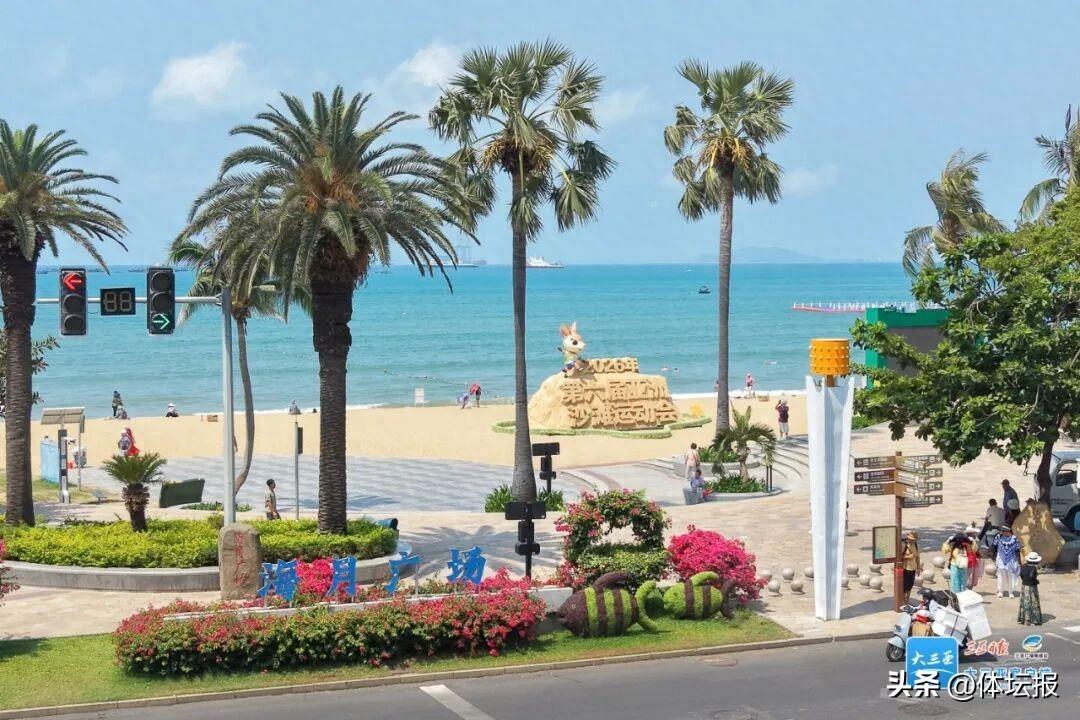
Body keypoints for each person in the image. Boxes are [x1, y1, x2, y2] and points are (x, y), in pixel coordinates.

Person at [995, 525, 1021, 598]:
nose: (1002, 532)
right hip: (1001, 559)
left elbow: (1017, 549)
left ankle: (1011, 592)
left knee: (1011, 576)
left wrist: (1018, 561)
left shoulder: (1014, 539)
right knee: (1001, 576)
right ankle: (1000, 591)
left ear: (1008, 531)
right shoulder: (999, 537)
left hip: (1011, 560)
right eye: (1002, 531)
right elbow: (994, 545)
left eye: (1004, 531)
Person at [1018, 552, 1043, 625]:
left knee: (1025, 602)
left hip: (1024, 586)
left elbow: (1021, 575)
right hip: (1031, 587)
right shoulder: (1034, 568)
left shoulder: (1023, 566)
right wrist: (1037, 582)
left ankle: (1024, 619)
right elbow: (1032, 577)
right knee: (1033, 602)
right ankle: (1034, 620)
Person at [900, 531, 922, 603]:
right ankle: (903, 600)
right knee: (904, 586)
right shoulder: (904, 545)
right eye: (912, 540)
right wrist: (909, 556)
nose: (913, 541)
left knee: (910, 585)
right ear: (908, 538)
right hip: (905, 568)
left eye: (915, 540)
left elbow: (917, 557)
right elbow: (899, 557)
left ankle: (907, 600)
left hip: (913, 568)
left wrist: (918, 568)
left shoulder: (915, 545)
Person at [963, 525, 982, 589]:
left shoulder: (964, 540)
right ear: (971, 533)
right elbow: (975, 549)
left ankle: (967, 587)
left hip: (966, 559)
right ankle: (968, 588)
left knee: (967, 575)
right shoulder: (972, 540)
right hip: (971, 559)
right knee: (970, 575)